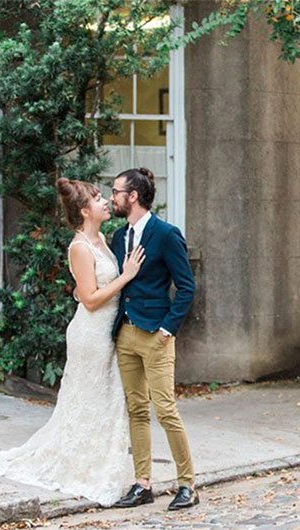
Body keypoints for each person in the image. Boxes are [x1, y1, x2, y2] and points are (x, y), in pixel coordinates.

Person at [0, 178, 144, 506]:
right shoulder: (79, 246)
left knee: (104, 401)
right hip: (91, 334)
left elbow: (83, 290)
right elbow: (92, 300)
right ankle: (80, 467)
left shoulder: (101, 240)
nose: (105, 202)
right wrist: (126, 276)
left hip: (106, 332)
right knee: (91, 400)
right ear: (84, 211)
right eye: (97, 199)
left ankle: (95, 463)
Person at [109, 167, 198, 511]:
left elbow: (187, 287)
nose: (113, 196)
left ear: (132, 196)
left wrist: (167, 329)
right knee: (136, 410)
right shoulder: (119, 237)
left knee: (166, 410)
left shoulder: (165, 234)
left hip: (156, 335)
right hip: (125, 334)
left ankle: (187, 484)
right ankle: (142, 483)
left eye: (116, 191)